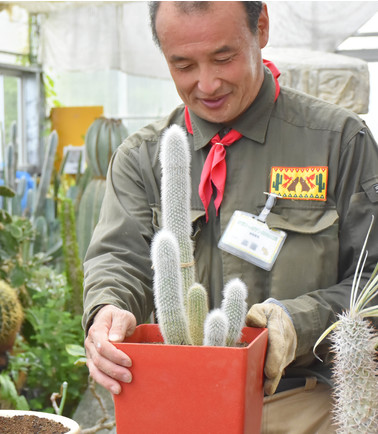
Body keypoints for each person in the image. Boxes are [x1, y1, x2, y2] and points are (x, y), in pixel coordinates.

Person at [82, 1, 378, 432]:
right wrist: (108, 307)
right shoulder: (143, 158)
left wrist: (296, 322)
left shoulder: (337, 144)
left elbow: (373, 278)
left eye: (224, 58)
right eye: (182, 64)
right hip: (174, 402)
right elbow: (119, 258)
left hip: (300, 404)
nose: (207, 83)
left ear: (260, 28)